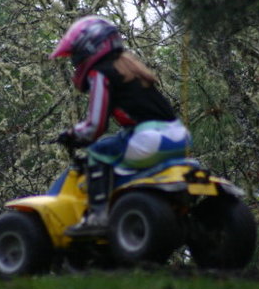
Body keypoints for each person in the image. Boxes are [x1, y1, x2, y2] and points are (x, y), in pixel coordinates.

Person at [49, 15, 192, 236]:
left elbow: (95, 126)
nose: (75, 62)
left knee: (98, 152)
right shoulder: (131, 68)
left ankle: (98, 217)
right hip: (179, 137)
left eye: (76, 56)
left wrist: (71, 134)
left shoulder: (100, 73)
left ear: (89, 48)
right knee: (117, 155)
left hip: (149, 139)